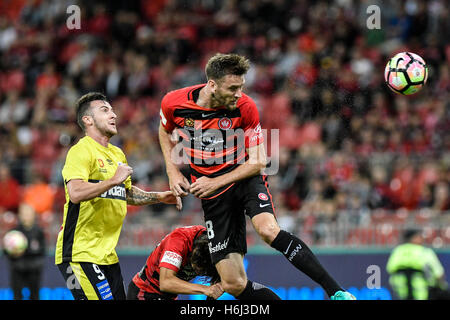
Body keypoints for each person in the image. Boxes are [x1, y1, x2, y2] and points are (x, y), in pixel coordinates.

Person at [158, 53, 354, 300]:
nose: (239, 93)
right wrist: (172, 170)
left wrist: (215, 181)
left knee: (268, 230)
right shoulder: (174, 103)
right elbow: (165, 130)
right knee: (233, 282)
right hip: (214, 196)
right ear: (212, 85)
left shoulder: (245, 107)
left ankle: (336, 291)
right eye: (232, 88)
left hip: (243, 179)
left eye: (241, 87)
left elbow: (259, 161)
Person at [55, 92, 181, 300]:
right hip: (78, 254)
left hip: (107, 255)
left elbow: (125, 193)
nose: (113, 115)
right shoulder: (81, 151)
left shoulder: (117, 154)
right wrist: (113, 180)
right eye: (105, 110)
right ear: (88, 120)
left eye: (112, 110)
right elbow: (75, 193)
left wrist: (158, 197)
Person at [127, 225, 224, 300]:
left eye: (201, 269)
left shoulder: (218, 249)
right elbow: (166, 283)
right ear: (194, 249)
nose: (196, 271)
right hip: (146, 292)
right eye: (194, 263)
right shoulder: (179, 239)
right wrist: (206, 289)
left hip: (170, 296)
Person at [387, 228, 450, 300]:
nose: (421, 239)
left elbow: (390, 270)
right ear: (414, 238)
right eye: (419, 237)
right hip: (424, 293)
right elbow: (439, 274)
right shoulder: (424, 251)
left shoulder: (397, 251)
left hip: (402, 293)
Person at [4, 203, 46, 300]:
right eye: (24, 213)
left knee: (35, 296)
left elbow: (42, 250)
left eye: (29, 213)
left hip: (34, 269)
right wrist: (13, 253)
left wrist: (27, 250)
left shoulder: (39, 232)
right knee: (17, 296)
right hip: (18, 269)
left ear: (33, 215)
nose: (26, 216)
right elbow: (6, 251)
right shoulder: (14, 233)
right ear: (20, 215)